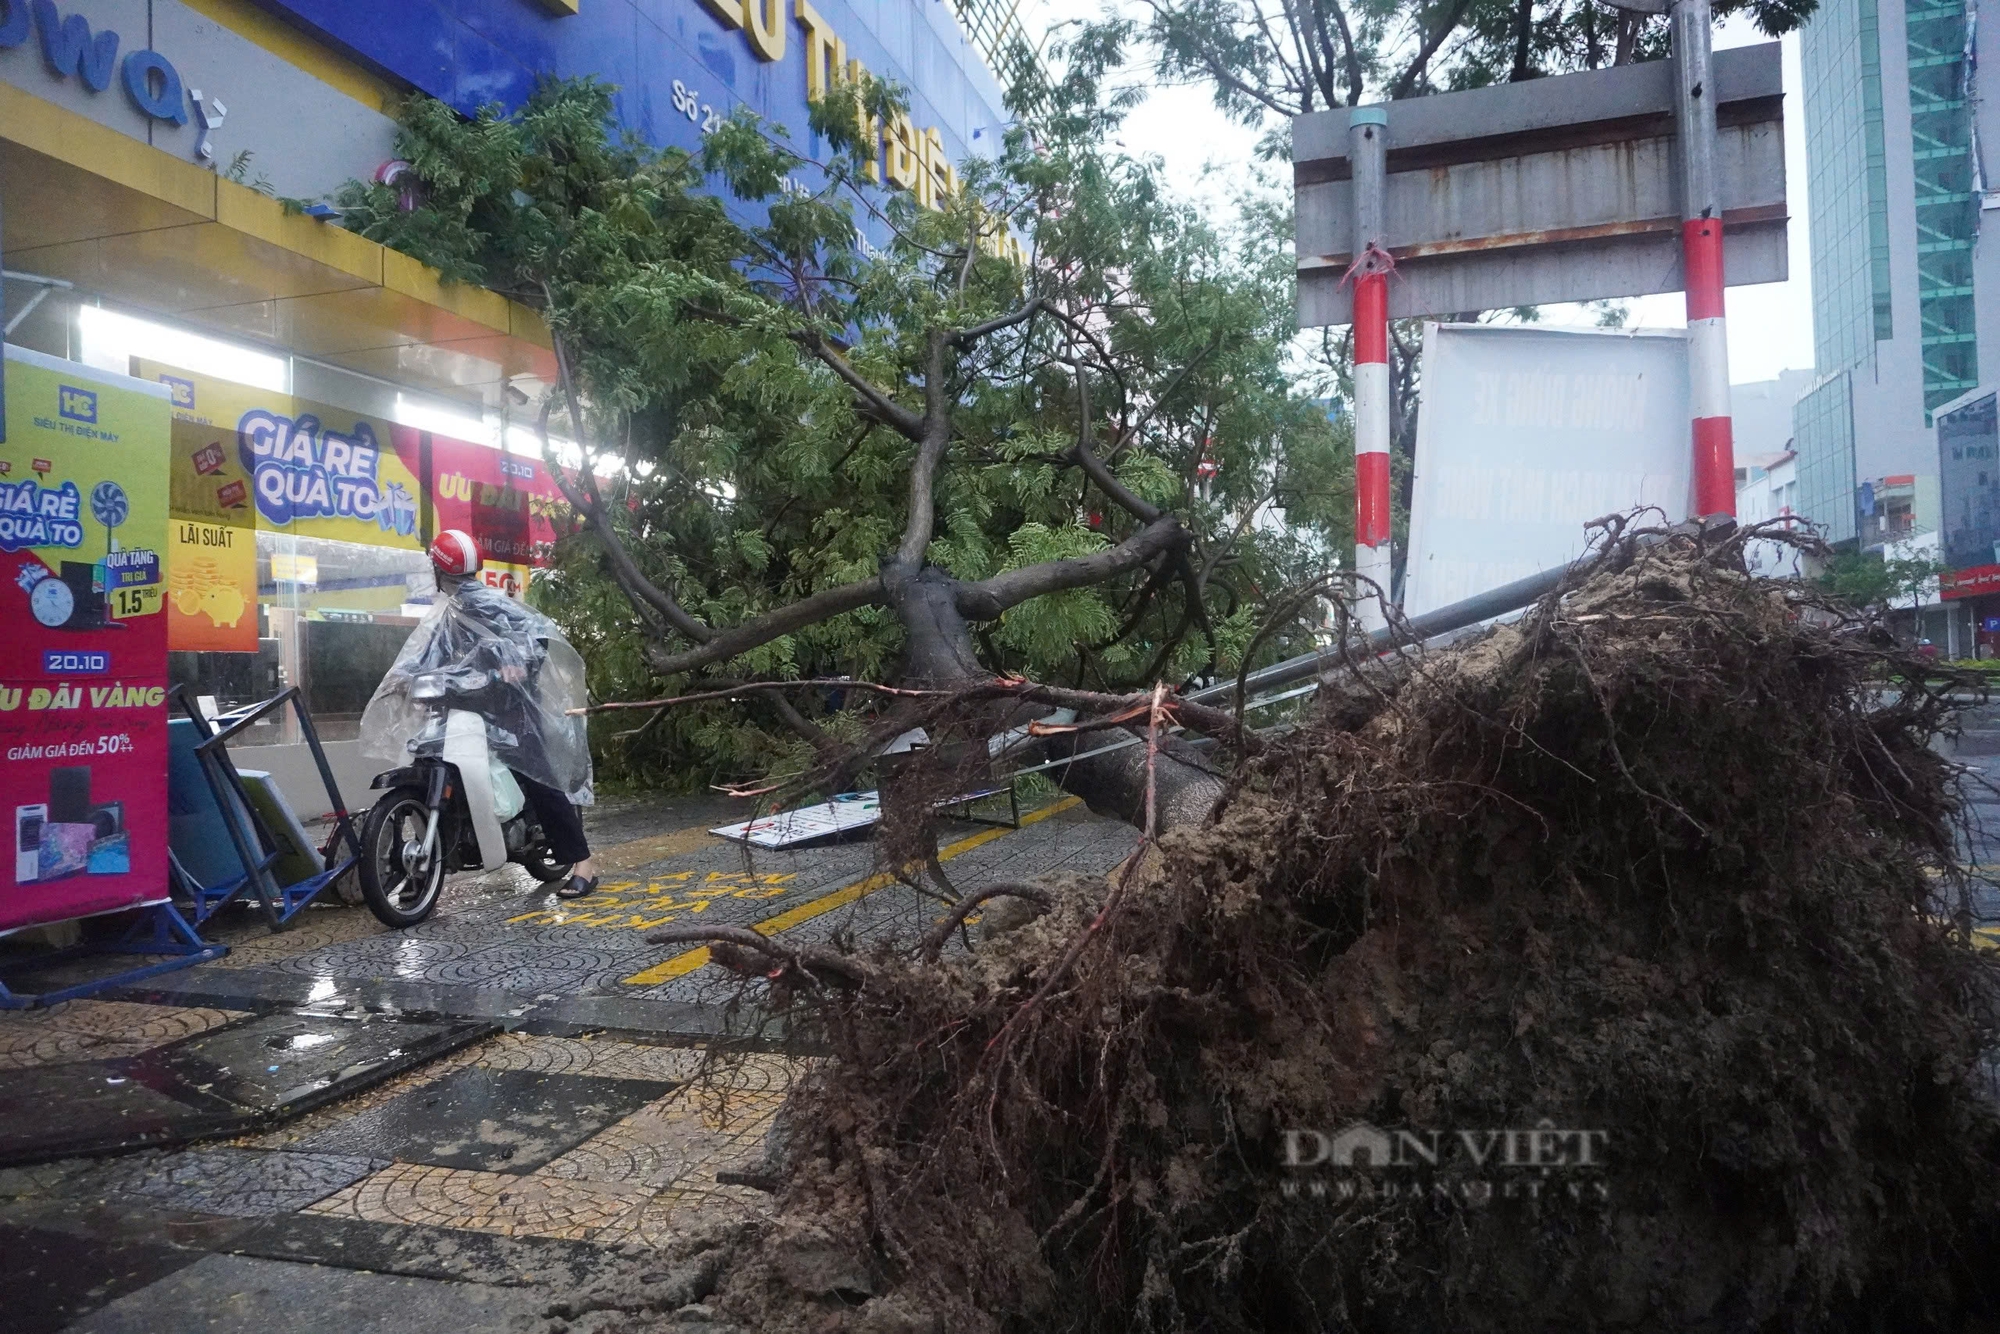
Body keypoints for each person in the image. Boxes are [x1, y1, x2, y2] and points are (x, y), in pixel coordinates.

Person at [366, 529, 600, 900]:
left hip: (509, 711)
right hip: (462, 709)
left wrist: (518, 665)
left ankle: (584, 864)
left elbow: (536, 635)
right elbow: (428, 655)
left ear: (438, 570)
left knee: (538, 776)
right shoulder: (447, 614)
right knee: (430, 765)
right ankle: (428, 865)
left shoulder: (491, 604)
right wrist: (402, 677)